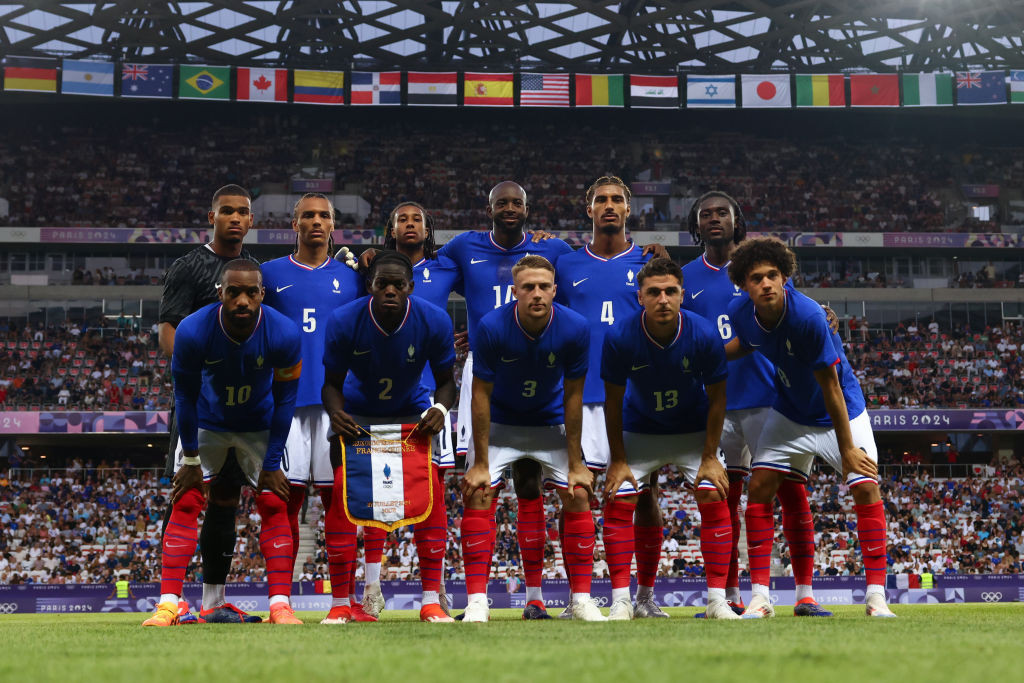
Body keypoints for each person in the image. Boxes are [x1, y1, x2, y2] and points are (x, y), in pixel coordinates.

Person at [724, 237, 897, 618]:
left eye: (773, 275)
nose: (766, 283)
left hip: (841, 412)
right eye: (756, 278)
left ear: (785, 277)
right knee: (759, 487)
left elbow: (830, 386)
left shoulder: (807, 317)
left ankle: (876, 597)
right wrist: (703, 355)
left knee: (866, 486)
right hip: (789, 412)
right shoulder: (740, 312)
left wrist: (848, 448)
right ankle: (760, 599)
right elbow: (747, 345)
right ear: (744, 285)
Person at [682, 191, 827, 617]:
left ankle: (804, 594)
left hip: (767, 396)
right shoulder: (686, 276)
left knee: (792, 493)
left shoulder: (762, 270)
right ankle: (728, 596)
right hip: (715, 403)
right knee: (723, 499)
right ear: (696, 225)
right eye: (705, 214)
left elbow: (795, 314)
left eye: (721, 213)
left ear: (736, 220)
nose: (713, 219)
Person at [143, 260, 304, 626]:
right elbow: (183, 397)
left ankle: (281, 605)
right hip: (208, 422)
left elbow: (286, 401)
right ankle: (168, 603)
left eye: (251, 292)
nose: (243, 300)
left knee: (273, 499)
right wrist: (190, 460)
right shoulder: (193, 331)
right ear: (220, 294)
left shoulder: (284, 334)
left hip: (260, 425)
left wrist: (273, 462)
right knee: (185, 498)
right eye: (234, 292)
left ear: (263, 294)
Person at [458, 255, 603, 622]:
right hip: (502, 424)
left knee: (578, 491)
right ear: (514, 292)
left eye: (543, 287)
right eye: (528, 287)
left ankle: (582, 600)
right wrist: (480, 463)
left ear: (555, 290)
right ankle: (477, 602)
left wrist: (575, 464)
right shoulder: (491, 326)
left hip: (548, 421)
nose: (536, 294)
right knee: (478, 491)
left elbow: (574, 396)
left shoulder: (575, 327)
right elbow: (481, 395)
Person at [320, 250, 457, 623]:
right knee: (342, 497)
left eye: (399, 284)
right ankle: (340, 604)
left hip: (411, 416)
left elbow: (447, 383)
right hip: (358, 417)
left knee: (429, 497)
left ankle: (430, 600)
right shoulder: (344, 321)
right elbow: (330, 385)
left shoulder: (434, 320)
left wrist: (441, 411)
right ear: (370, 286)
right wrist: (336, 414)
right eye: (383, 284)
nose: (391, 290)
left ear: (411, 287)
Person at [552, 176, 666, 618]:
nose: (610, 206)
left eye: (618, 199)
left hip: (635, 396)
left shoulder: (649, 263)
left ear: (629, 209)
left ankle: (644, 596)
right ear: (589, 209)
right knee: (575, 494)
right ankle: (579, 596)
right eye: (601, 199)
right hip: (578, 396)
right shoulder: (565, 263)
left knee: (644, 496)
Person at [601, 257, 739, 620]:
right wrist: (617, 460)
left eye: (670, 291)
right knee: (620, 498)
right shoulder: (620, 336)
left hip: (692, 432)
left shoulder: (704, 333)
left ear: (682, 295)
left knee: (713, 492)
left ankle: (716, 602)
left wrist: (710, 456)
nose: (663, 299)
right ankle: (624, 601)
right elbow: (611, 403)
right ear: (639, 297)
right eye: (654, 292)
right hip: (640, 429)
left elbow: (719, 398)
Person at [156, 184, 262, 624]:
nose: (235, 218)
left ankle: (213, 600)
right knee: (186, 490)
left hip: (238, 405)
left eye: (242, 212)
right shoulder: (190, 266)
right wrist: (203, 375)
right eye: (227, 211)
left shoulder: (254, 270)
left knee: (225, 497)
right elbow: (167, 334)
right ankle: (170, 600)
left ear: (251, 221)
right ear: (211, 216)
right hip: (198, 399)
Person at [261, 192, 365, 621]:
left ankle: (341, 604)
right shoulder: (268, 275)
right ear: (294, 223)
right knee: (278, 500)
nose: (316, 222)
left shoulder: (353, 278)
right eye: (308, 215)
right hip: (284, 404)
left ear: (333, 224)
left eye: (324, 216)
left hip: (336, 406)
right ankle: (279, 603)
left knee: (341, 501)